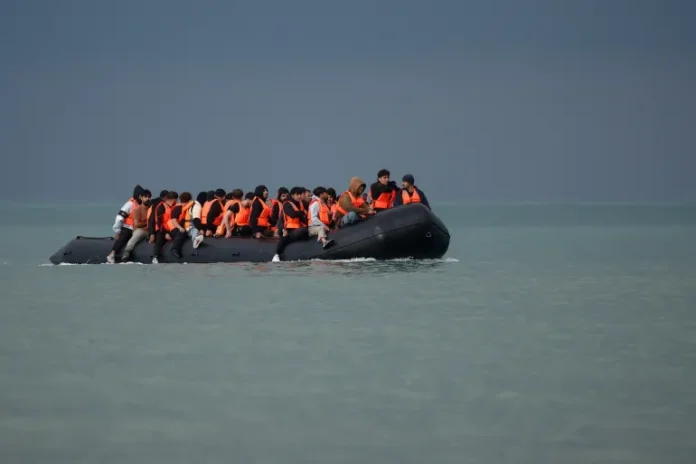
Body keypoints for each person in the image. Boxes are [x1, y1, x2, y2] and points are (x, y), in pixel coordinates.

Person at [107, 184, 146, 263]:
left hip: (137, 228)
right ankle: (112, 254)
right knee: (123, 237)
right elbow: (119, 218)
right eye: (143, 196)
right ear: (139, 196)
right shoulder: (130, 204)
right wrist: (117, 231)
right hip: (128, 227)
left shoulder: (142, 205)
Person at [272, 187, 309, 262]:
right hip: (290, 229)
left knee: (305, 231)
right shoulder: (287, 204)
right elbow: (292, 214)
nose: (299, 196)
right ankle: (277, 254)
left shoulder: (299, 203)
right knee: (287, 237)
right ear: (292, 195)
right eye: (297, 194)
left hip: (298, 228)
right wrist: (302, 213)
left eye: (300, 194)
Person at [121, 189, 152, 262]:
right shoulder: (138, 209)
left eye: (149, 197)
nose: (147, 199)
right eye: (145, 197)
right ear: (141, 198)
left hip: (151, 230)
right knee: (137, 235)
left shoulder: (152, 208)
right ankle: (127, 252)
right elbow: (137, 224)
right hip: (141, 230)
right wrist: (148, 222)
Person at [163, 191, 195, 259]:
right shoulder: (178, 208)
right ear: (188, 200)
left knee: (184, 233)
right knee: (181, 233)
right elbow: (174, 220)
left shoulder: (185, 208)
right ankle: (174, 249)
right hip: (173, 228)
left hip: (177, 227)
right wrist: (180, 228)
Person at [151, 191, 178, 264]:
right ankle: (155, 256)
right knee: (160, 239)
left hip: (171, 228)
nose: (176, 201)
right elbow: (159, 221)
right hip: (161, 229)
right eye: (176, 200)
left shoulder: (173, 207)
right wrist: (165, 233)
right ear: (173, 199)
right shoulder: (161, 206)